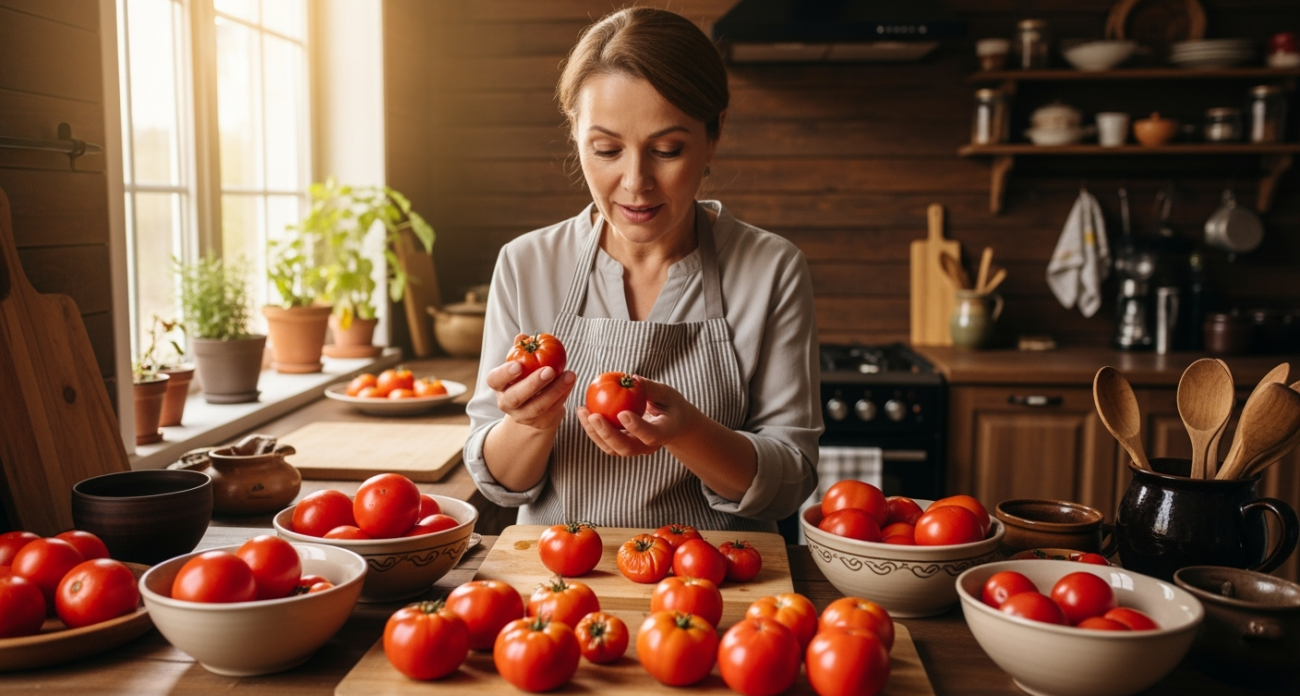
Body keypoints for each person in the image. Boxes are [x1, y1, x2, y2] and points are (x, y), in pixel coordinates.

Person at [463, 7, 821, 532]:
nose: (636, 182)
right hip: (563, 586)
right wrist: (529, 424)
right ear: (576, 136)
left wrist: (688, 432)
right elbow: (500, 481)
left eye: (667, 150)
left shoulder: (771, 269)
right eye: (606, 149)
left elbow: (790, 481)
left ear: (714, 134)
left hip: (715, 585)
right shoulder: (527, 264)